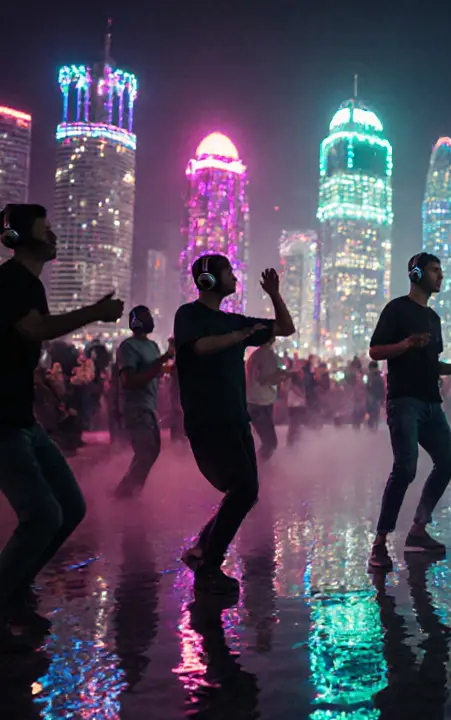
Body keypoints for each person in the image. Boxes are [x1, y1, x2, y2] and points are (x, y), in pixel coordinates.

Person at [0, 203, 124, 652]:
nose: (53, 236)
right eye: (45, 230)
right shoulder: (11, 281)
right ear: (21, 238)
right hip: (4, 426)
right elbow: (34, 331)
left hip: (23, 422)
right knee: (44, 515)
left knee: (70, 507)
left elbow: (23, 349)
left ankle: (17, 584)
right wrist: (94, 311)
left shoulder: (30, 284)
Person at [174, 254, 296, 595]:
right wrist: (240, 335)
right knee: (243, 490)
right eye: (228, 271)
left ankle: (201, 549)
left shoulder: (234, 321)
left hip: (236, 418)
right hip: (208, 420)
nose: (235, 275)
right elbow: (200, 347)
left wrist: (274, 293)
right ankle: (208, 566)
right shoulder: (189, 315)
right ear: (208, 280)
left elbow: (285, 328)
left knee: (245, 492)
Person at [367, 253, 451, 570]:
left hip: (432, 403)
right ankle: (379, 544)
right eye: (434, 270)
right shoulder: (397, 309)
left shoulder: (434, 318)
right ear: (415, 274)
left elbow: (432, 364)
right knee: (406, 469)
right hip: (404, 402)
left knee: (447, 463)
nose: (440, 276)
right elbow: (375, 350)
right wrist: (406, 344)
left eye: (442, 270)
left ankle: (417, 531)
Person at [113, 306, 174, 498]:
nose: (151, 320)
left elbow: (155, 370)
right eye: (146, 317)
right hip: (135, 407)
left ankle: (131, 491)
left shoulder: (152, 346)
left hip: (149, 407)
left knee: (152, 451)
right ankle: (123, 495)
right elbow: (128, 380)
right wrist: (164, 358)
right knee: (145, 452)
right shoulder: (128, 347)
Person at [246, 339, 288, 462]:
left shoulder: (256, 356)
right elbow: (265, 379)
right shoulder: (266, 356)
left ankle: (258, 466)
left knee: (268, 442)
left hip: (257, 402)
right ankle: (257, 467)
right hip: (261, 402)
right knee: (270, 443)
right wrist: (282, 376)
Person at [365, 360, 385, 430]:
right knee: (369, 409)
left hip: (375, 396)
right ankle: (370, 422)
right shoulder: (370, 375)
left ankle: (373, 422)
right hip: (372, 395)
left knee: (373, 410)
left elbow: (382, 385)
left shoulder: (377, 375)